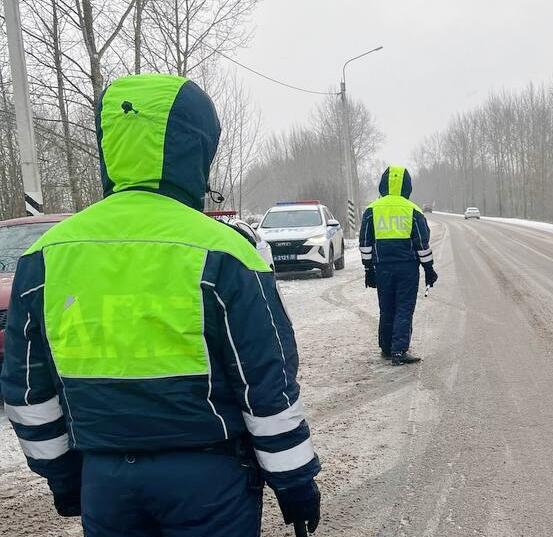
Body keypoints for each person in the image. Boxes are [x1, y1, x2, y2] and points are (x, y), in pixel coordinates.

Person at [0, 74, 321, 536]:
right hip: (210, 484)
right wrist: (293, 480)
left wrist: (62, 475)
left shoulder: (45, 257)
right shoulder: (225, 253)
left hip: (105, 481)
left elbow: (27, 390)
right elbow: (265, 382)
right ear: (196, 149)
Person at [359, 166, 438, 366]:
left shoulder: (372, 210)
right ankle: (399, 350)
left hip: (382, 267)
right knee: (404, 307)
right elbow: (422, 243)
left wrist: (368, 269)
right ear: (407, 186)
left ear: (383, 184)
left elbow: (365, 243)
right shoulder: (413, 210)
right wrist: (429, 269)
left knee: (386, 307)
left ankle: (386, 348)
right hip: (407, 269)